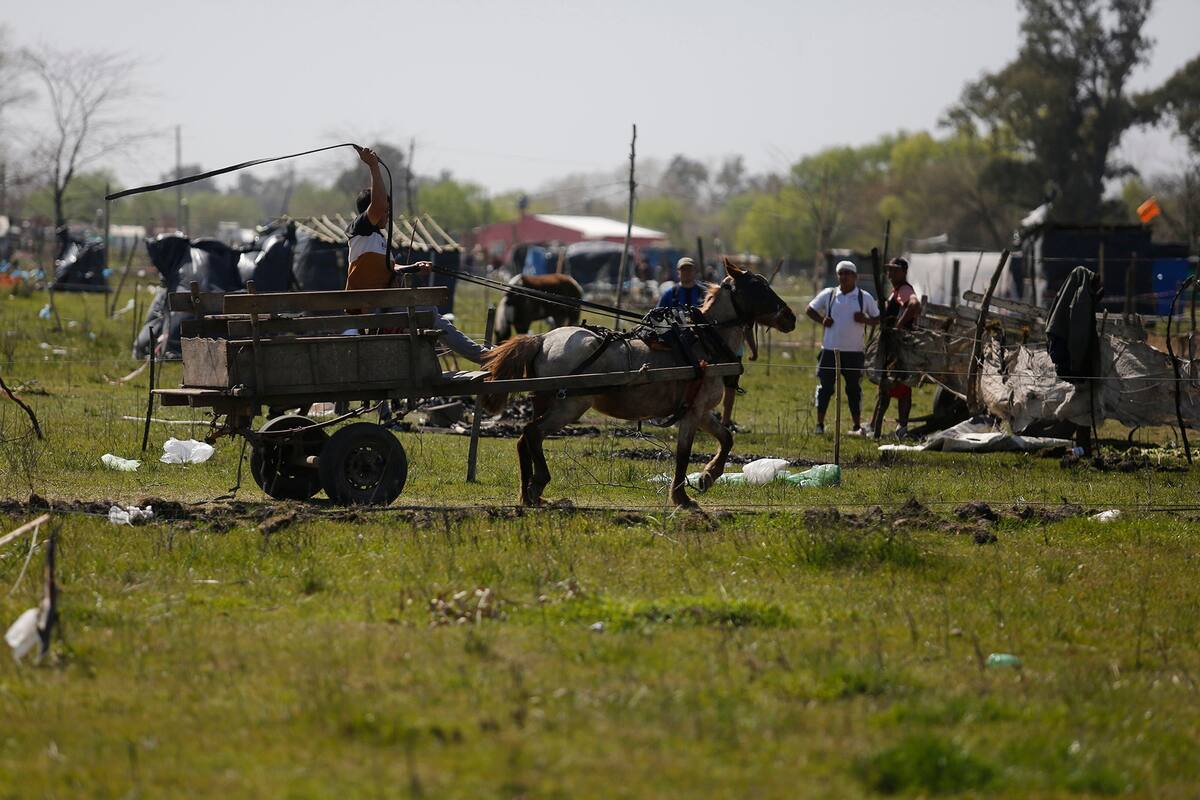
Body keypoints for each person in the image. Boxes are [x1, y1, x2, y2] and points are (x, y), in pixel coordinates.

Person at [347, 146, 489, 363]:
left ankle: (476, 354)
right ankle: (482, 356)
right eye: (386, 209)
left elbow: (389, 270)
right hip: (372, 309)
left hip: (382, 304)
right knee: (428, 312)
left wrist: (413, 267)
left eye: (387, 209)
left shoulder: (376, 240)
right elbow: (377, 206)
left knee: (427, 309)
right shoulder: (361, 228)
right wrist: (374, 167)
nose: (387, 213)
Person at [805, 260, 880, 434]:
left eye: (848, 273)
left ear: (855, 277)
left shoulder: (864, 297)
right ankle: (819, 425)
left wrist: (866, 320)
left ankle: (856, 426)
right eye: (841, 273)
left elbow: (877, 318)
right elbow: (810, 309)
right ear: (837, 276)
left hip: (854, 352)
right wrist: (822, 320)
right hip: (830, 350)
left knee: (853, 390)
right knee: (825, 389)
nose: (844, 277)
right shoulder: (829, 294)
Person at [881, 257, 922, 438]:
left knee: (901, 386)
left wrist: (898, 326)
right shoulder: (895, 291)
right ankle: (878, 424)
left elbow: (914, 304)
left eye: (894, 270)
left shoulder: (904, 290)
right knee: (888, 385)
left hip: (901, 346)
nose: (890, 274)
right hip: (892, 346)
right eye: (889, 270)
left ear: (903, 272)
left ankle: (902, 427)